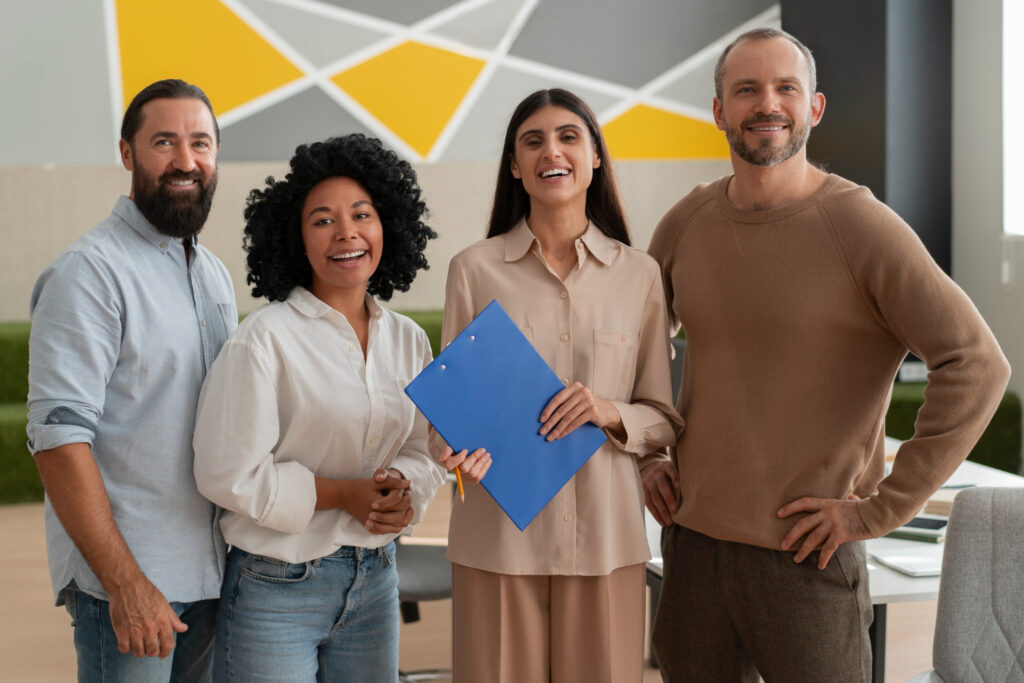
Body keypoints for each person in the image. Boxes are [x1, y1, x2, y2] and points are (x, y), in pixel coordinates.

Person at [644, 28, 1010, 682]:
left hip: (806, 559)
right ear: (719, 110)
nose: (768, 103)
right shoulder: (686, 223)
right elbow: (633, 347)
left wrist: (881, 508)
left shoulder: (861, 227)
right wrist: (643, 455)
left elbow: (977, 363)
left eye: (786, 88)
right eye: (747, 89)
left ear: (814, 107)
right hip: (692, 551)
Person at [433, 89, 682, 683]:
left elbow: (663, 419)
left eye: (570, 136)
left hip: (605, 540)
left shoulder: (640, 275)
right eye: (533, 140)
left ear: (595, 157)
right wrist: (451, 450)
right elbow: (449, 411)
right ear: (515, 166)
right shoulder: (473, 270)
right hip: (497, 541)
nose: (553, 151)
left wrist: (606, 409)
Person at [192, 134, 445, 682]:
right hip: (275, 586)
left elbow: (424, 449)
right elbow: (226, 474)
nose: (347, 232)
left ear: (388, 228)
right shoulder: (262, 341)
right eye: (322, 220)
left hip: (376, 579)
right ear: (296, 241)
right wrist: (342, 494)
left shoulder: (408, 340)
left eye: (362, 214)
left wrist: (403, 490)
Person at [27, 79, 235, 681]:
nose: (186, 161)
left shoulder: (213, 274)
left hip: (213, 576)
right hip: (132, 588)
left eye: (201, 143)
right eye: (163, 142)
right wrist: (127, 583)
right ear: (127, 154)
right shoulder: (89, 274)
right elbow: (58, 442)